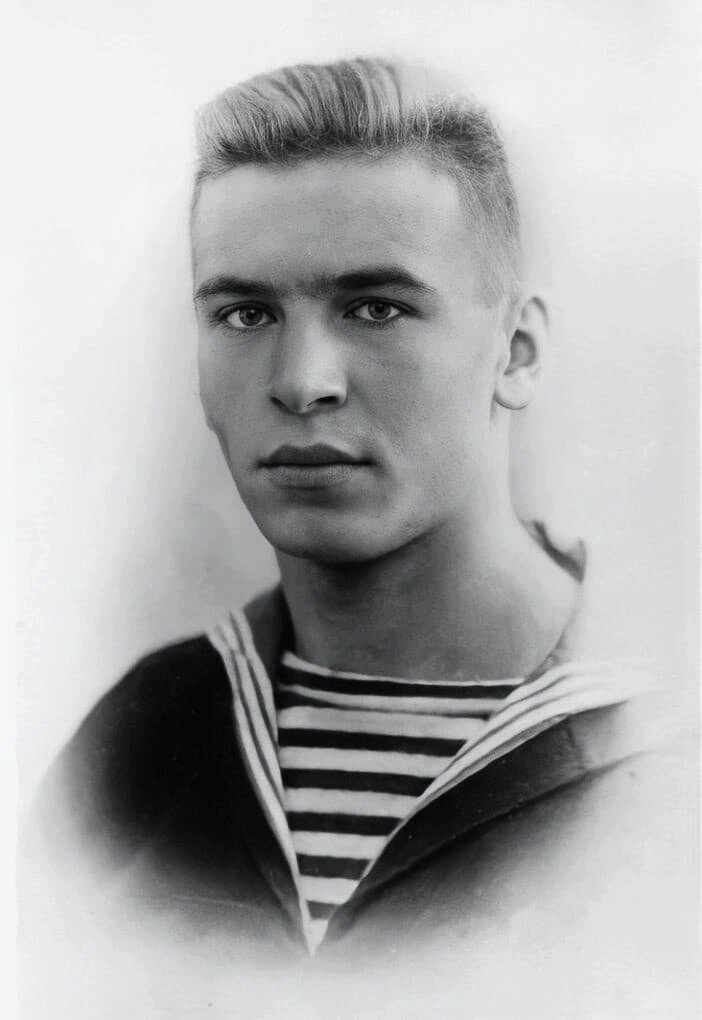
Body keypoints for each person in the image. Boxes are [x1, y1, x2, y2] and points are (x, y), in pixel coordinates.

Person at [31, 57, 696, 1011]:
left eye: (376, 308)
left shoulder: (670, 761)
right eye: (245, 313)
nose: (302, 382)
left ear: (516, 352)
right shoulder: (131, 748)